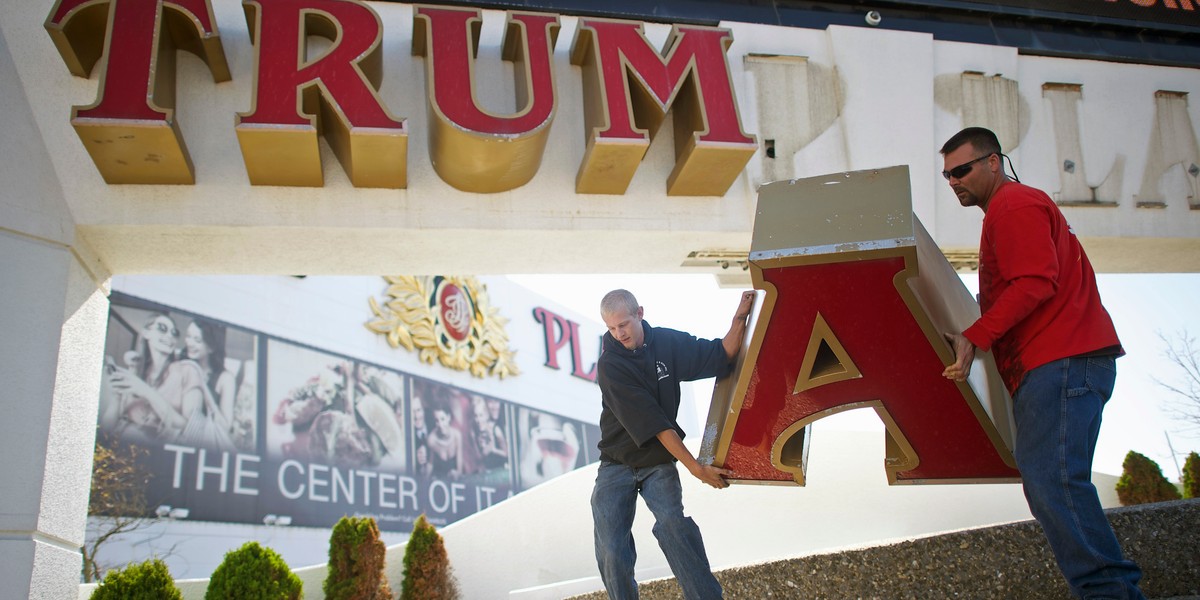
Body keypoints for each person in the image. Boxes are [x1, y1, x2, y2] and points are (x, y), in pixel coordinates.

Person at [939, 127, 1145, 599]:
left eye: (963, 169)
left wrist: (975, 337)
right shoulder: (1009, 211)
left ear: (994, 162)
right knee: (1051, 484)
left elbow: (1034, 282)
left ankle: (1108, 593)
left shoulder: (1013, 205)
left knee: (1054, 483)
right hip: (1060, 363)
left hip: (1061, 361)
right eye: (948, 175)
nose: (954, 181)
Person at [592, 288, 754, 600]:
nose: (618, 333)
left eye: (623, 324)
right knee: (612, 550)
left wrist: (740, 316)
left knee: (673, 526)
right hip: (617, 465)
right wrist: (696, 468)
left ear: (640, 312)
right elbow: (655, 424)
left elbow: (721, 355)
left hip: (657, 462)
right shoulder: (610, 365)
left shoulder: (667, 343)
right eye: (611, 328)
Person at [99, 312, 208, 445]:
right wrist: (117, 396)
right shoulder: (137, 373)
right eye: (162, 328)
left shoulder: (187, 371)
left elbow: (193, 431)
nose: (169, 336)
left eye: (175, 333)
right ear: (146, 332)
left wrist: (146, 391)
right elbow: (106, 430)